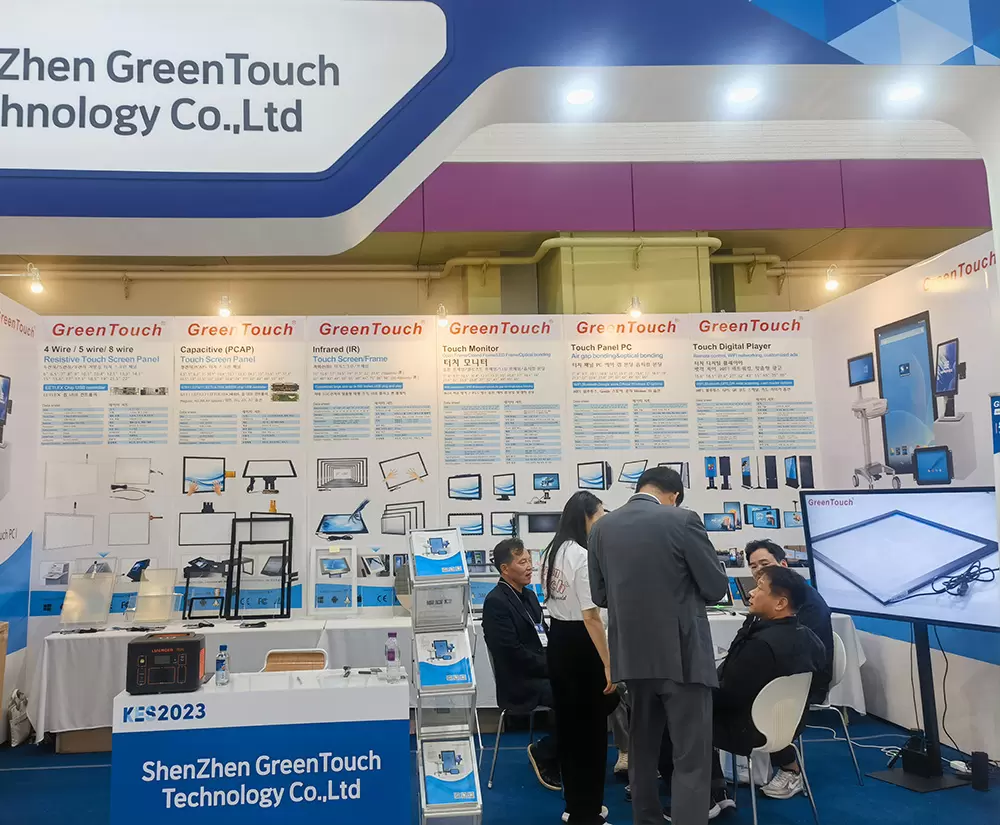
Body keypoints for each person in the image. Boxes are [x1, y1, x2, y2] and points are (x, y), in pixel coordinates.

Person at [589, 466, 729, 825]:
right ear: (674, 495)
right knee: (691, 756)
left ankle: (647, 819)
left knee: (642, 749)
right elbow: (715, 588)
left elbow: (600, 595)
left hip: (632, 657)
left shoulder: (602, 527)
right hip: (683, 657)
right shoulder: (683, 520)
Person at [709, 566, 827, 805]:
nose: (751, 593)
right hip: (788, 723)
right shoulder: (811, 639)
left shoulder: (759, 646)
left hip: (745, 728)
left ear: (780, 603)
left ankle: (710, 793)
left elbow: (728, 696)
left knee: (677, 710)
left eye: (760, 588)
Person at [541, 491, 619, 825]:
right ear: (586, 516)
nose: (603, 520)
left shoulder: (552, 551)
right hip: (583, 646)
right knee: (591, 734)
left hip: (560, 640)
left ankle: (576, 806)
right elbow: (591, 617)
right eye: (600, 514)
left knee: (571, 730)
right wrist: (608, 663)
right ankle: (588, 813)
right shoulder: (581, 556)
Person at [745, 540, 833, 799]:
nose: (759, 571)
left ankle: (790, 769)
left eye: (765, 564)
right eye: (753, 566)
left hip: (801, 680)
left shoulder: (806, 603)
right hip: (782, 670)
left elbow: (796, 654)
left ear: (783, 564)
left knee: (736, 696)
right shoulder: (775, 600)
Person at [482, 538, 561, 791]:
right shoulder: (496, 602)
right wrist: (554, 668)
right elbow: (512, 654)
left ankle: (562, 750)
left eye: (529, 560)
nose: (530, 567)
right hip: (519, 681)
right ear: (505, 569)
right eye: (522, 562)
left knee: (596, 694)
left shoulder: (529, 596)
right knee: (572, 695)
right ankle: (545, 753)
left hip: (541, 672)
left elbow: (544, 637)